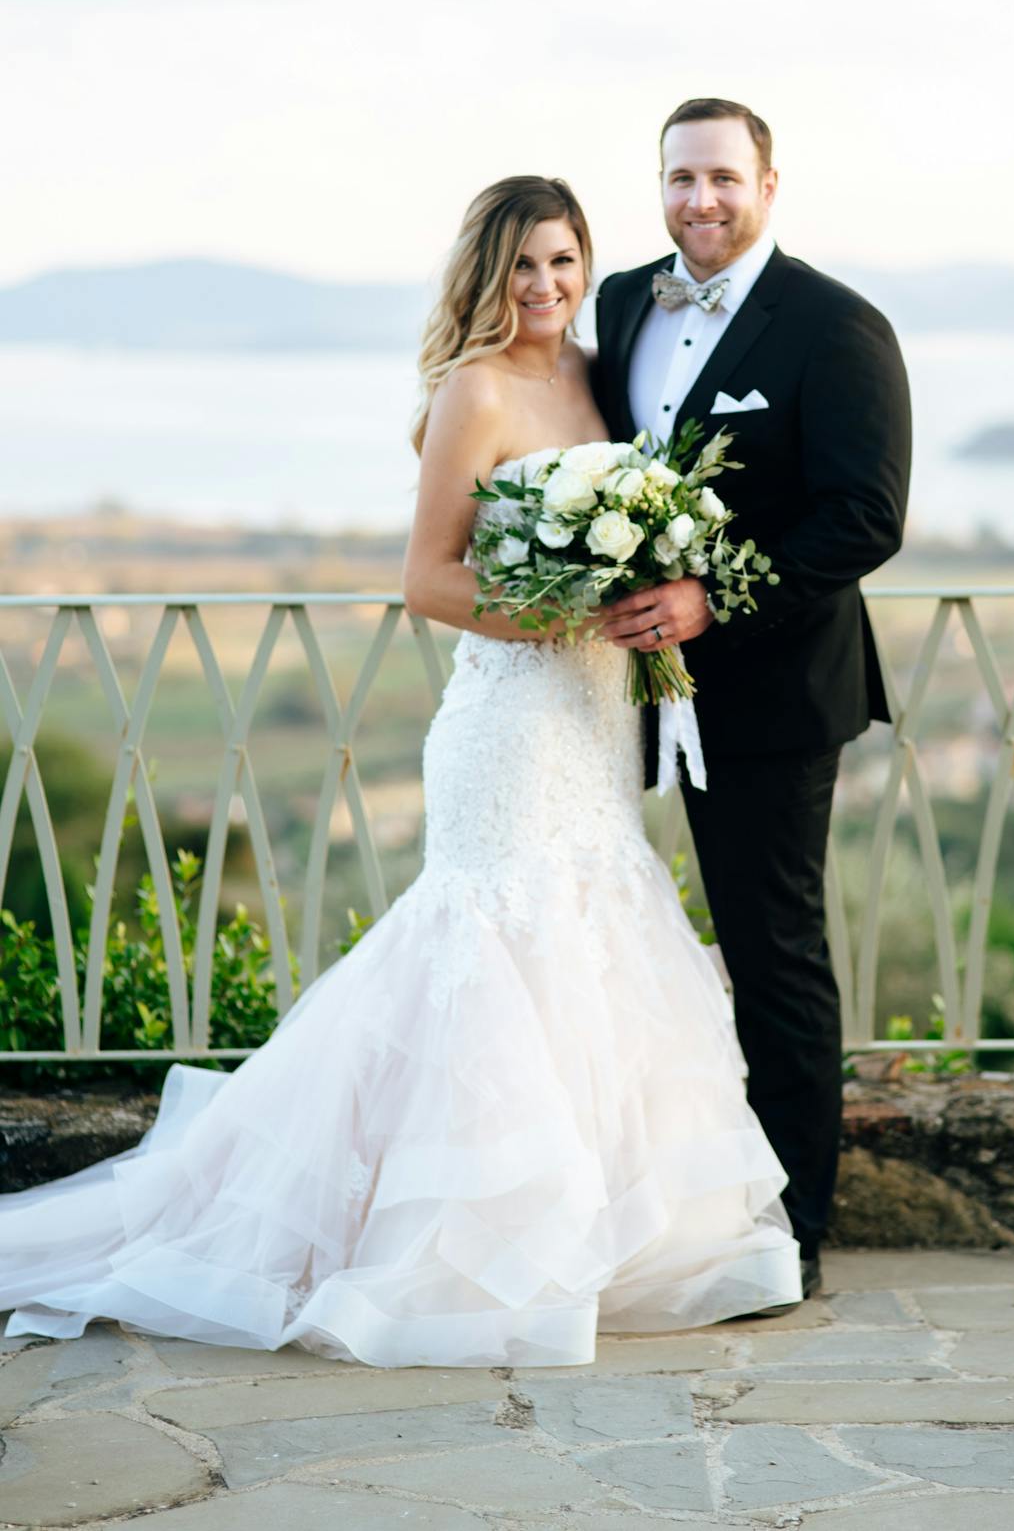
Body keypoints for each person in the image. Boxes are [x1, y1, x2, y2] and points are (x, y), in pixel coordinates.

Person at [0, 175, 800, 1368]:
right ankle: (457, 1238)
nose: (547, 287)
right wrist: (567, 613)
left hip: (593, 724)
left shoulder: (598, 375)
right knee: (488, 954)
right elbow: (429, 581)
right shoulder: (472, 390)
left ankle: (598, 1235)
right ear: (486, 273)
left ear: (590, 267)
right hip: (511, 718)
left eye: (565, 262)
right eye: (524, 266)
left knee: (591, 945)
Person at [594, 100, 912, 1298]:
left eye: (724, 178)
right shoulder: (622, 298)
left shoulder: (836, 328)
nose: (700, 201)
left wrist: (714, 605)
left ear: (770, 185)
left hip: (772, 694)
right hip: (617, 685)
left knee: (771, 954)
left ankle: (793, 1222)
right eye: (680, 179)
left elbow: (865, 517)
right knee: (605, 933)